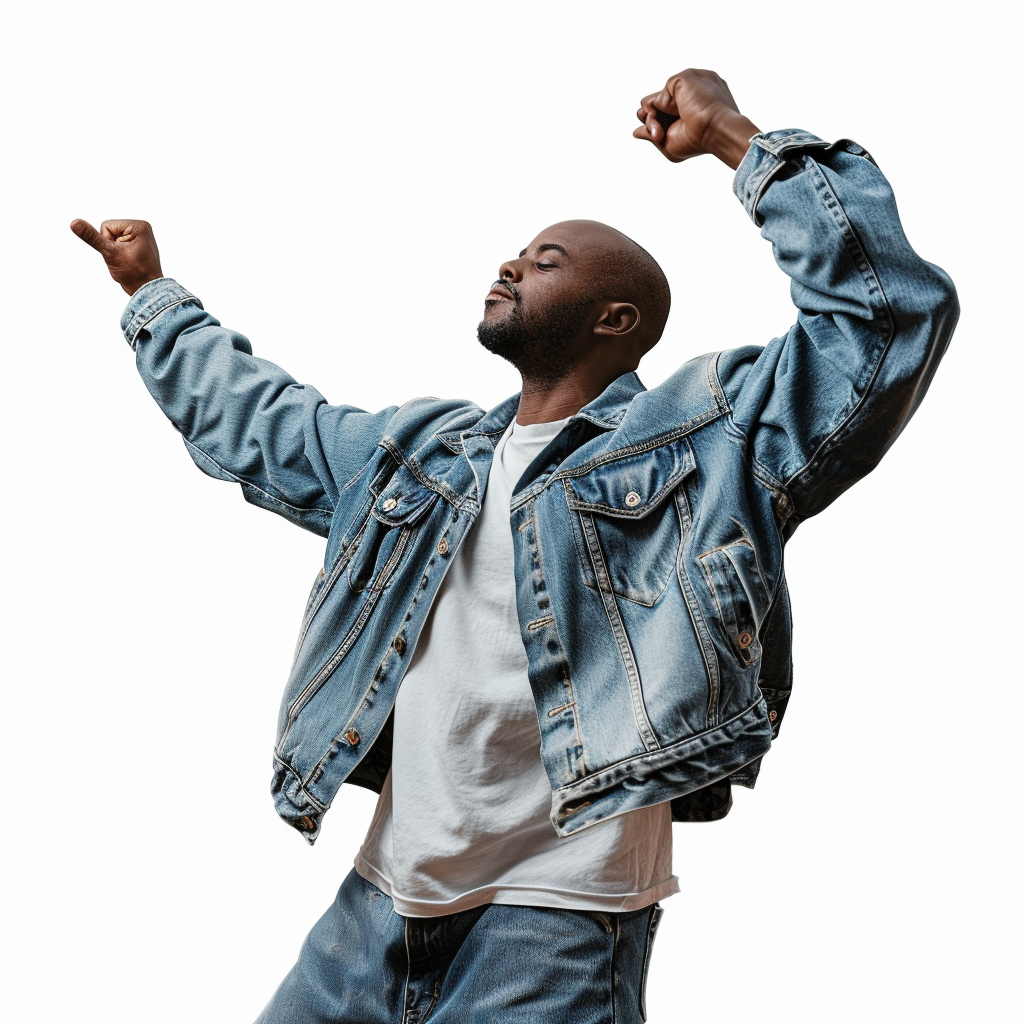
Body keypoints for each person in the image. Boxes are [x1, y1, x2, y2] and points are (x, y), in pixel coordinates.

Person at [71, 68, 958, 1023]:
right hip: (379, 901)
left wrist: (732, 137)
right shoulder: (422, 456)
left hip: (561, 921)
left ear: (615, 319)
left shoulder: (709, 442)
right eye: (517, 252)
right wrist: (153, 295)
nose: (510, 265)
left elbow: (888, 317)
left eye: (546, 260)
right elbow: (269, 424)